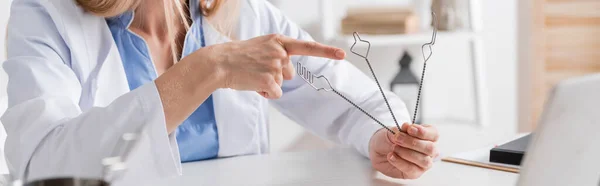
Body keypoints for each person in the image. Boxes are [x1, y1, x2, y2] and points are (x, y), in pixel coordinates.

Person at [1, 0, 440, 184]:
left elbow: (354, 102)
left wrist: (385, 138)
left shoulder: (239, 13)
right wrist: (203, 72)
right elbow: (43, 164)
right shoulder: (45, 15)